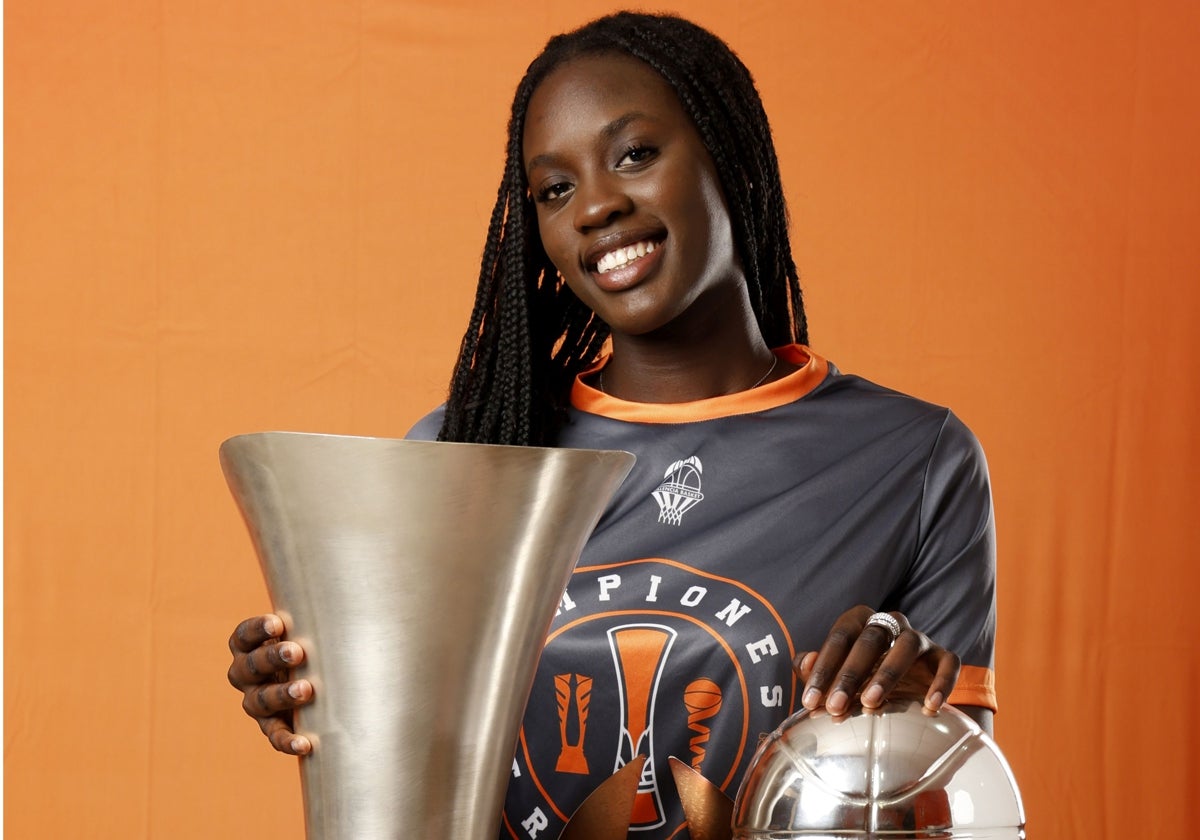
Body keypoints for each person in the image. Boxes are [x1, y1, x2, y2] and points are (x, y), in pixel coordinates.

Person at [227, 11, 998, 839]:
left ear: (728, 156)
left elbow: (953, 797)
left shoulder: (914, 460)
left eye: (635, 154)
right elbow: (406, 753)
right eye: (555, 189)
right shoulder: (466, 455)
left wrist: (911, 713)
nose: (595, 205)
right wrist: (314, 685)